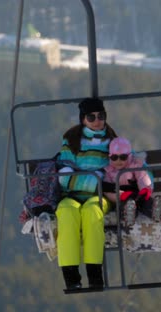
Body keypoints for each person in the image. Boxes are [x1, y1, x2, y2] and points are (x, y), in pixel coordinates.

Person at [55, 97, 117, 290]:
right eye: (92, 117)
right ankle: (71, 276)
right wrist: (93, 178)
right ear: (83, 119)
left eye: (101, 116)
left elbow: (113, 170)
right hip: (71, 195)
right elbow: (64, 174)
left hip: (99, 197)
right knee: (66, 213)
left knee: (92, 213)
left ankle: (94, 274)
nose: (97, 120)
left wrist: (90, 180)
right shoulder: (72, 140)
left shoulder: (112, 142)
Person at [103, 137, 161, 225]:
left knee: (145, 202)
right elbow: (107, 190)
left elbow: (142, 177)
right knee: (124, 205)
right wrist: (120, 195)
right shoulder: (109, 171)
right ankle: (128, 215)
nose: (118, 161)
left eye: (123, 157)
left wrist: (145, 189)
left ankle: (155, 211)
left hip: (137, 195)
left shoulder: (135, 165)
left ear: (129, 156)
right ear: (110, 157)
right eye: (114, 157)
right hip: (122, 197)